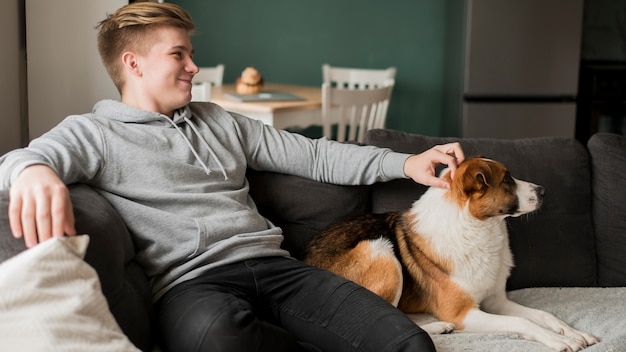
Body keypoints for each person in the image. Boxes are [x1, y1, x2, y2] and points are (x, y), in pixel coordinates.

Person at [0, 3, 464, 352]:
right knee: (217, 338)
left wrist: (405, 163)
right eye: (178, 54)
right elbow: (23, 157)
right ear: (133, 63)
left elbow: (315, 155)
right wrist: (35, 171)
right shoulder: (95, 133)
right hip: (192, 285)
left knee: (409, 344)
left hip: (279, 270)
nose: (193, 66)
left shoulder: (219, 120)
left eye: (191, 53)